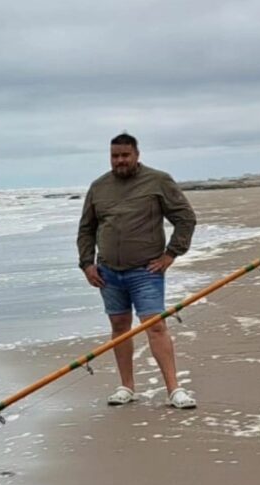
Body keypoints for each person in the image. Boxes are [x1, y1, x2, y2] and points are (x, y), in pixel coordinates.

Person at [77, 132, 198, 409]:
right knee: (119, 328)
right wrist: (86, 263)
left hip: (146, 271)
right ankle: (127, 387)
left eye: (124, 155)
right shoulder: (99, 187)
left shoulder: (158, 181)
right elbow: (86, 229)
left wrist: (171, 254)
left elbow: (185, 218)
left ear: (136, 155)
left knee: (155, 326)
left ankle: (174, 389)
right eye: (114, 156)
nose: (119, 161)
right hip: (108, 273)